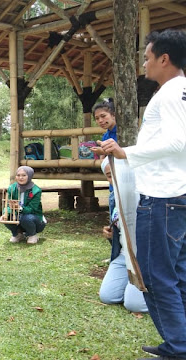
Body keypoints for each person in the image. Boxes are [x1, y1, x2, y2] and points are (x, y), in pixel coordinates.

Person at [99, 29, 186, 360]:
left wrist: (125, 154)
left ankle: (178, 348)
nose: (145, 63)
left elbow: (178, 143)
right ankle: (180, 342)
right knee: (177, 275)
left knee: (156, 276)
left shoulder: (170, 93)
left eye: (148, 57)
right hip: (177, 196)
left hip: (163, 199)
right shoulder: (181, 91)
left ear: (164, 59)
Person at [97, 159, 147, 313]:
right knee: (108, 296)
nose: (114, 178)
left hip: (146, 257)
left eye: (117, 173)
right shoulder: (114, 197)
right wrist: (111, 235)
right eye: (109, 175)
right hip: (124, 256)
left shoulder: (147, 196)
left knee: (134, 305)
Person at [1, 166, 45, 244]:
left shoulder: (36, 190)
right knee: (6, 217)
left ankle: (32, 234)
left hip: (34, 218)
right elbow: (7, 205)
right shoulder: (12, 188)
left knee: (26, 218)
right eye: (18, 175)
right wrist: (6, 212)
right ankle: (17, 234)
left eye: (24, 175)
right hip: (18, 216)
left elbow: (32, 209)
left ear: (30, 176)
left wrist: (20, 208)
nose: (20, 178)